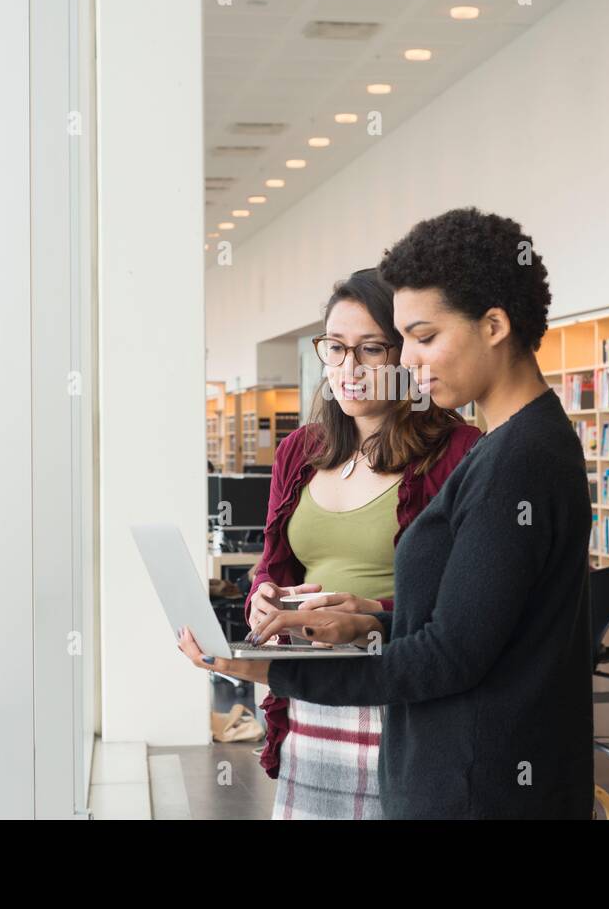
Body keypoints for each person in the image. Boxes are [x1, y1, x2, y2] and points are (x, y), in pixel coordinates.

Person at [180, 207, 593, 818]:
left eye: (422, 339)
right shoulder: (519, 446)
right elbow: (467, 617)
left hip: (479, 784)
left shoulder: (514, 461)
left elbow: (448, 655)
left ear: (495, 325)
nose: (412, 364)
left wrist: (269, 668)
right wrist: (366, 614)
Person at [243, 268, 479, 819]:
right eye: (335, 348)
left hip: (401, 692)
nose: (348, 370)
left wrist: (370, 617)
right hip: (312, 694)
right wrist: (263, 595)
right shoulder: (299, 450)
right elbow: (274, 563)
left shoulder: (459, 450)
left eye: (370, 350)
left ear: (405, 355)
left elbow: (466, 602)